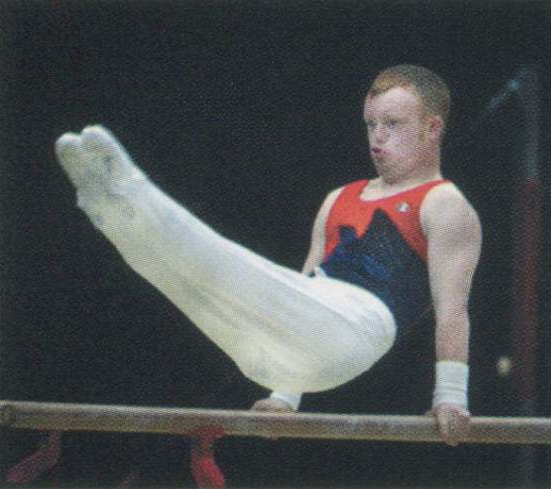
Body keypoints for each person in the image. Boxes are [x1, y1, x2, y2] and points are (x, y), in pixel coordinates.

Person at [55, 65, 481, 446]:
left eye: (392, 124)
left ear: (432, 128)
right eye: (370, 124)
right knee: (180, 281)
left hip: (356, 331)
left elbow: (452, 310)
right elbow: (293, 293)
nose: (377, 137)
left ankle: (130, 188)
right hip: (283, 348)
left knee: (219, 265)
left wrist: (450, 397)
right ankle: (109, 213)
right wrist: (283, 397)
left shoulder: (444, 203)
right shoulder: (340, 197)